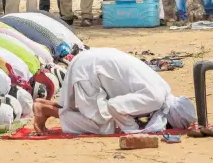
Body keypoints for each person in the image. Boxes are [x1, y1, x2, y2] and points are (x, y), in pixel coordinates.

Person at [32, 48, 196, 135]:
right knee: (104, 126)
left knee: (95, 113)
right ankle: (46, 110)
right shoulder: (155, 99)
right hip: (89, 71)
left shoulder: (163, 90)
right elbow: (114, 106)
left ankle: (45, 105)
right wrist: (131, 129)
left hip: (91, 63)